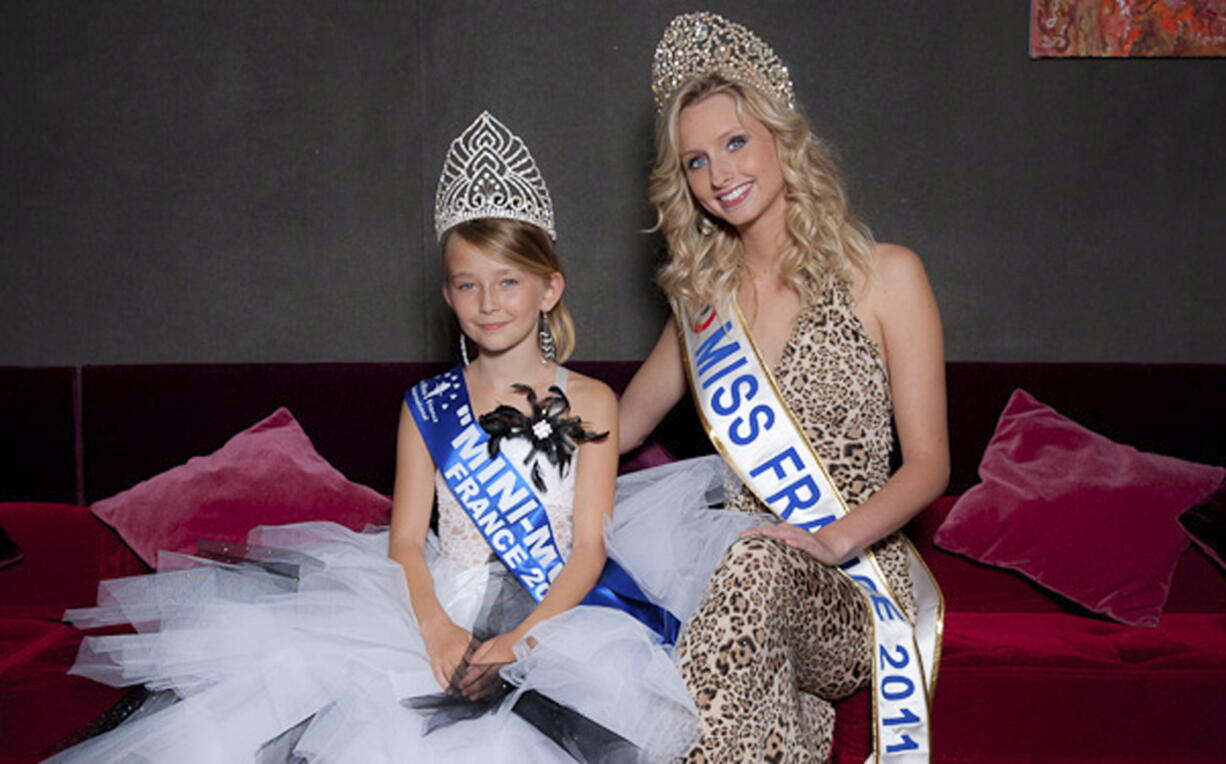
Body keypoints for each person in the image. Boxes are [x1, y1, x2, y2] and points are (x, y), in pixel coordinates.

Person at [48, 111, 711, 763]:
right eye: (468, 284)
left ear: (549, 288)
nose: (488, 302)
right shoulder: (425, 405)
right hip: (430, 605)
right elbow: (403, 538)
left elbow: (590, 547)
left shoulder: (592, 400)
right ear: (449, 297)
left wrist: (520, 641)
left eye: (508, 281)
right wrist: (436, 629)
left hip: (557, 613)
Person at [619, 12, 948, 763]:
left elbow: (930, 465)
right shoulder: (705, 302)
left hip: (853, 582)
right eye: (695, 161)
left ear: (780, 139)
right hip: (739, 567)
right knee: (742, 567)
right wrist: (515, 398)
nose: (720, 174)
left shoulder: (887, 275)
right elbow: (624, 424)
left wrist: (831, 539)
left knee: (753, 564)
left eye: (735, 142)